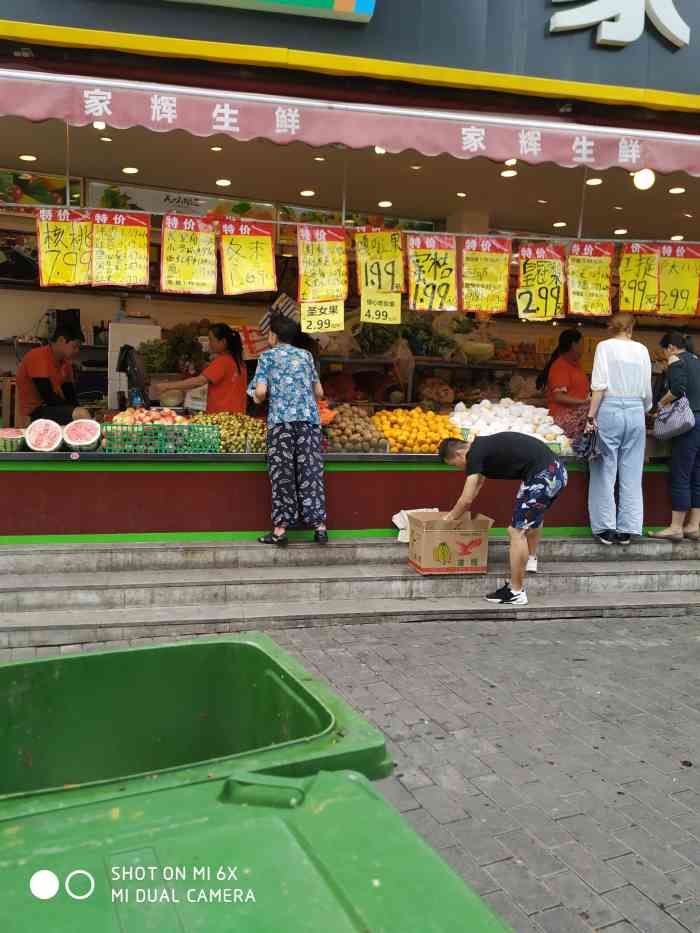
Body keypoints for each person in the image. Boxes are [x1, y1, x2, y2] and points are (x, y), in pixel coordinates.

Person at [439, 432, 568, 606]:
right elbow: (476, 486)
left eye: (455, 465)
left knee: (516, 531)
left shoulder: (474, 455)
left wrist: (448, 520)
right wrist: (458, 514)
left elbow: (466, 499)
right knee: (530, 520)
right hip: (556, 471)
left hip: (542, 476)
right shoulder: (481, 448)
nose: (460, 469)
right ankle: (531, 559)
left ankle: (516, 592)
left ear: (459, 454)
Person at [249, 313, 327, 548]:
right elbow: (320, 393)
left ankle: (281, 530)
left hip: (282, 423)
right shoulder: (306, 356)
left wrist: (256, 396)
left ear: (273, 335)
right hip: (309, 422)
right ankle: (320, 528)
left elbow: (261, 393)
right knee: (310, 473)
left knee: (283, 475)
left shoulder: (267, 357)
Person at [586, 313, 653, 546]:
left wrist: (591, 415)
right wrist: (641, 409)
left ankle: (605, 527)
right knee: (633, 471)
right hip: (636, 410)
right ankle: (629, 528)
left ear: (611, 327)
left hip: (610, 409)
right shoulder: (643, 350)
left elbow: (599, 385)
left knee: (604, 469)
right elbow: (647, 389)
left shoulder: (604, 347)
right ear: (631, 328)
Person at [650, 331, 700, 542]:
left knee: (680, 474)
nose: (665, 355)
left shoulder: (676, 359)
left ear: (670, 347)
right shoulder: (697, 360)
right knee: (697, 475)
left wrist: (660, 405)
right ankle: (694, 526)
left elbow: (678, 389)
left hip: (688, 424)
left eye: (664, 351)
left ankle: (676, 527)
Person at [153, 324, 247, 414]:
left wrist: (166, 386)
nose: (209, 344)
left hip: (222, 416)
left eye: (211, 340)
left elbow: (199, 381)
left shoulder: (223, 361)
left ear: (223, 342)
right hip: (235, 415)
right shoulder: (238, 360)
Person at [15, 325, 90, 424]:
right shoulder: (38, 356)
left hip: (51, 406)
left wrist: (76, 408)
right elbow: (48, 396)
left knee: (82, 411)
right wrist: (73, 412)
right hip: (34, 412)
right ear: (61, 340)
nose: (77, 351)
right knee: (81, 414)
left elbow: (70, 394)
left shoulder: (65, 362)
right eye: (74, 346)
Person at [537, 328, 590, 442]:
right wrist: (585, 402)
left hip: (576, 420)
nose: (583, 349)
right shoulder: (560, 366)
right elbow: (558, 396)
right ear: (574, 345)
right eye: (582, 345)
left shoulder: (575, 365)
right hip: (564, 423)